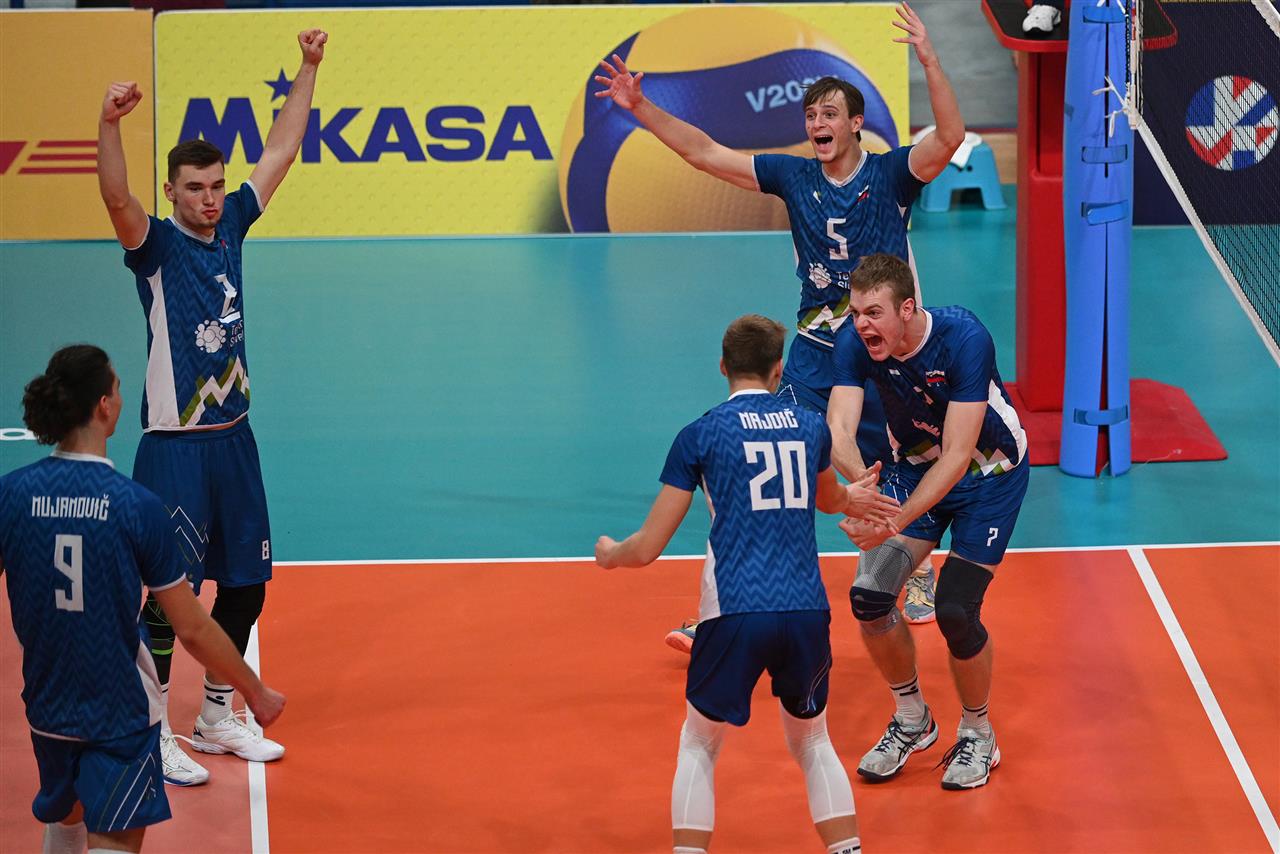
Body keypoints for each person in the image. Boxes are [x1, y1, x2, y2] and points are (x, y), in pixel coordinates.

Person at [594, 2, 965, 645]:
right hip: (817, 350)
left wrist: (929, 59)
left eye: (830, 115)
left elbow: (950, 138)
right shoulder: (793, 176)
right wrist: (641, 108)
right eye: (811, 116)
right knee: (763, 465)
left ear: (855, 124)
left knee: (897, 463)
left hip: (883, 349)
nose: (818, 124)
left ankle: (915, 565)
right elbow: (706, 153)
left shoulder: (890, 174)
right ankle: (725, 605)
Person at [95, 28, 325, 785]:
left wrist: (308, 66)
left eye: (217, 186)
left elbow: (282, 150)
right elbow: (116, 197)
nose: (210, 198)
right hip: (176, 449)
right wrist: (109, 124)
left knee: (248, 584)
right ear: (172, 192)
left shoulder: (232, 227)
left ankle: (217, 715)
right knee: (169, 600)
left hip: (235, 440)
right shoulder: (156, 248)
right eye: (195, 188)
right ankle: (152, 729)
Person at [595, 315, 901, 854]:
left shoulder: (700, 435)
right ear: (779, 370)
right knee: (813, 741)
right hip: (805, 611)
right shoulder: (810, 427)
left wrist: (611, 554)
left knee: (699, 743)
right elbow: (830, 499)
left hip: (734, 609)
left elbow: (647, 547)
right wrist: (855, 499)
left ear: (722, 367)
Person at [0, 345, 286, 854]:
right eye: (117, 387)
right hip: (121, 713)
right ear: (104, 406)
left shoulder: (11, 494)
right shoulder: (135, 506)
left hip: (47, 707)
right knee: (112, 840)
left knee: (66, 824)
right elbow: (192, 628)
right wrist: (254, 690)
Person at [827, 253, 1029, 790]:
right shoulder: (854, 342)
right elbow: (839, 431)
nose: (861, 324)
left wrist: (891, 521)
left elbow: (959, 456)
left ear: (907, 309)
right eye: (855, 313)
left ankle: (978, 733)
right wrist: (863, 494)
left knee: (956, 610)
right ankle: (913, 718)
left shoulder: (963, 338)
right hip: (914, 469)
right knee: (869, 597)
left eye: (873, 312)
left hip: (989, 475)